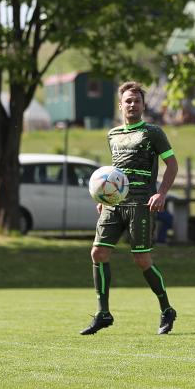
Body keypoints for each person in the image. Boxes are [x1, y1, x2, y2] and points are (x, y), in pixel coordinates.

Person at [80, 81, 178, 335]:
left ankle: (167, 309)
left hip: (140, 203)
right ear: (120, 105)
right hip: (114, 205)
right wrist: (104, 197)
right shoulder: (112, 134)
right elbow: (115, 172)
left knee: (141, 259)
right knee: (98, 253)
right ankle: (103, 313)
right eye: (128, 101)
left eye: (137, 101)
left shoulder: (152, 132)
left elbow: (172, 164)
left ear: (143, 105)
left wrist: (161, 193)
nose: (132, 104)